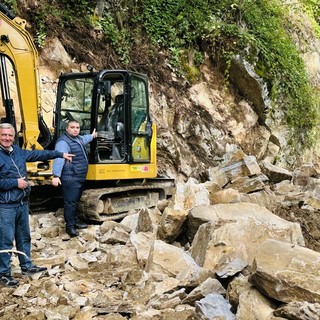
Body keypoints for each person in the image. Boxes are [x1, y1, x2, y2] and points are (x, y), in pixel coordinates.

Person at [0, 123, 74, 288]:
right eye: (4, 135)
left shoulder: (17, 151)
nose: (7, 138)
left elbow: (38, 154)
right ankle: (4, 274)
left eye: (10, 135)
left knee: (24, 237)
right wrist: (14, 182)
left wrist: (60, 154)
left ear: (13, 137)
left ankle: (27, 267)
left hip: (21, 204)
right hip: (5, 206)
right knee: (5, 241)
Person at [52, 120, 97, 238]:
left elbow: (85, 139)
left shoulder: (77, 139)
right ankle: (70, 227)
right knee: (70, 203)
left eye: (77, 127)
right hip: (70, 177)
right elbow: (59, 158)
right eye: (72, 127)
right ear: (67, 129)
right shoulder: (63, 142)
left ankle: (75, 222)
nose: (75, 129)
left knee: (75, 201)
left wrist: (92, 136)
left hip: (78, 177)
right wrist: (56, 176)